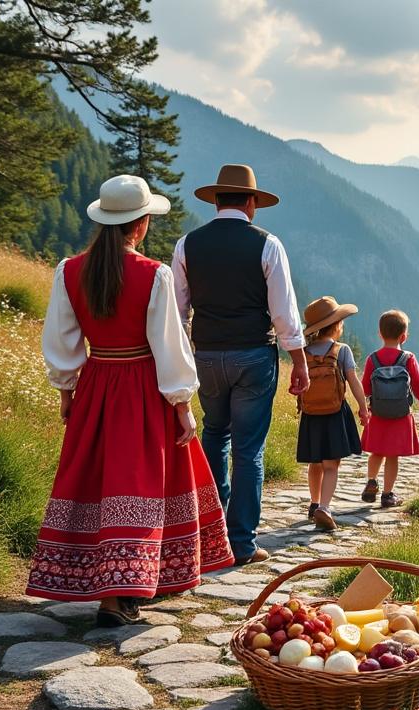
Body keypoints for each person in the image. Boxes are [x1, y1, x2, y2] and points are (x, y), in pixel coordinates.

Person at [30, 174, 232, 628]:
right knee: (140, 481)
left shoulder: (69, 271)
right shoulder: (152, 275)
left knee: (101, 480)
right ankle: (123, 592)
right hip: (143, 386)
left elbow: (62, 341)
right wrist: (182, 405)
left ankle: (108, 584)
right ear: (140, 226)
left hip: (97, 383)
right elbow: (168, 345)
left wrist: (67, 391)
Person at [173, 164, 308, 565]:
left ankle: (209, 537)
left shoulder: (187, 245)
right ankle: (242, 543)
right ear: (251, 202)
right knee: (249, 450)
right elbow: (283, 313)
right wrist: (298, 361)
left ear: (216, 200)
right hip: (253, 355)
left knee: (215, 433)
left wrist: (184, 357)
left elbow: (178, 313)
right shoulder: (267, 244)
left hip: (206, 356)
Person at [295, 297, 369, 531]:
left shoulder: (304, 353)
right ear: (337, 325)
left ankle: (314, 502)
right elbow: (354, 381)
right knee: (331, 465)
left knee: (315, 463)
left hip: (311, 414)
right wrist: (363, 408)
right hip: (335, 412)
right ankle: (324, 508)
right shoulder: (341, 350)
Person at [360, 309, 419, 507]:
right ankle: (387, 494)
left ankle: (371, 481)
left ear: (380, 334)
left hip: (377, 414)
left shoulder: (372, 359)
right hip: (401, 415)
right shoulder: (408, 358)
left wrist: (364, 406)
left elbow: (365, 386)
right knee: (392, 456)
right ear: (404, 336)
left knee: (376, 452)